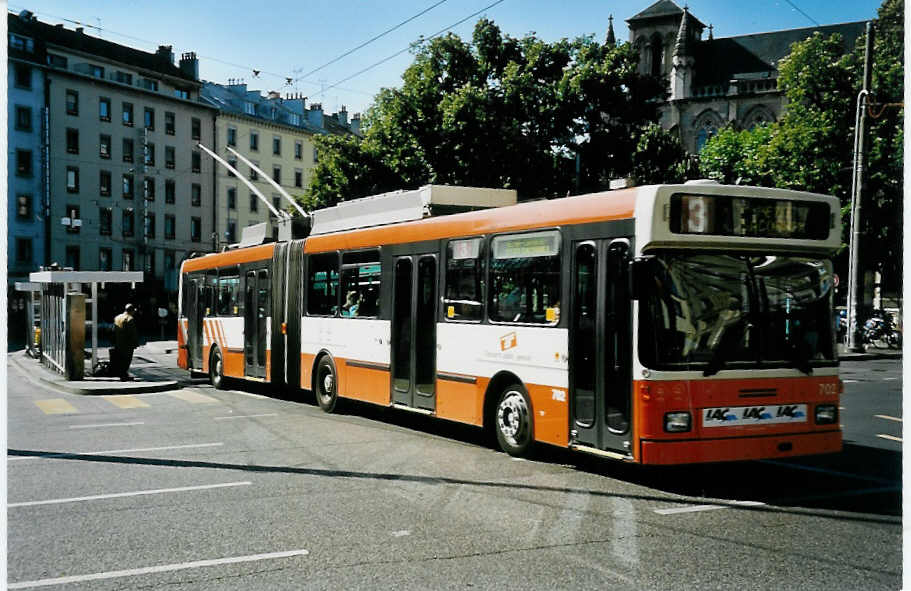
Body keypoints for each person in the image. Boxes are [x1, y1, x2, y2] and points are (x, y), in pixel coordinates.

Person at [113, 304, 139, 380]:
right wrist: (135, 344)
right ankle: (124, 374)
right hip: (127, 344)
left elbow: (113, 329)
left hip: (118, 342)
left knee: (120, 359)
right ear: (131, 311)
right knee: (127, 360)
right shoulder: (130, 319)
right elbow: (132, 333)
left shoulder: (117, 317)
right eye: (134, 311)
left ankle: (121, 374)